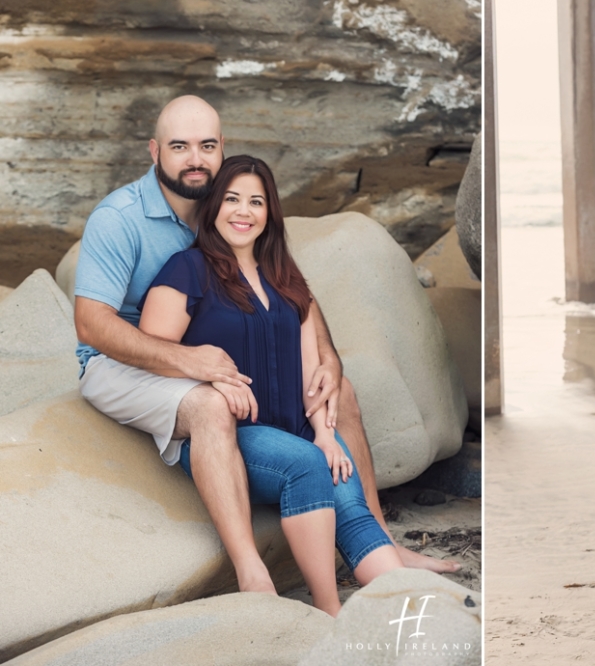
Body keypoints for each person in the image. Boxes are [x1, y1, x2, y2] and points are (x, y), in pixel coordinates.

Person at [73, 95, 458, 598]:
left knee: (341, 395)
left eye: (207, 146)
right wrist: (194, 363)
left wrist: (329, 361)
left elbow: (293, 296)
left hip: (193, 351)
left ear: (222, 149)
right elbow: (91, 325)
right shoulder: (120, 219)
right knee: (212, 407)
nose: (195, 158)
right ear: (154, 151)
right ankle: (251, 570)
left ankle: (381, 540)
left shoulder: (221, 205)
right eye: (180, 146)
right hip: (119, 358)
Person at [138, 155, 402, 614]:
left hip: (299, 424)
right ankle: (328, 610)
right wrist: (211, 379)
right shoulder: (187, 269)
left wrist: (325, 434)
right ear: (214, 206)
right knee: (305, 465)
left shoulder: (284, 276)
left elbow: (312, 370)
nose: (244, 211)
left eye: (256, 202)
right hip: (235, 436)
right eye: (233, 199)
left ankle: (410, 599)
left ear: (269, 213)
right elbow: (151, 355)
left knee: (347, 493)